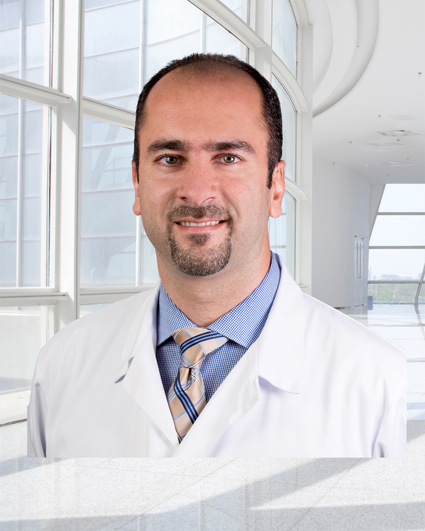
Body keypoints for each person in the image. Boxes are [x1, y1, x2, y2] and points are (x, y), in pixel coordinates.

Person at [27, 54, 406, 458]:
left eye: (228, 158)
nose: (197, 191)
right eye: (170, 159)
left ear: (276, 187)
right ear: (137, 184)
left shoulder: (375, 380)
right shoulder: (62, 365)